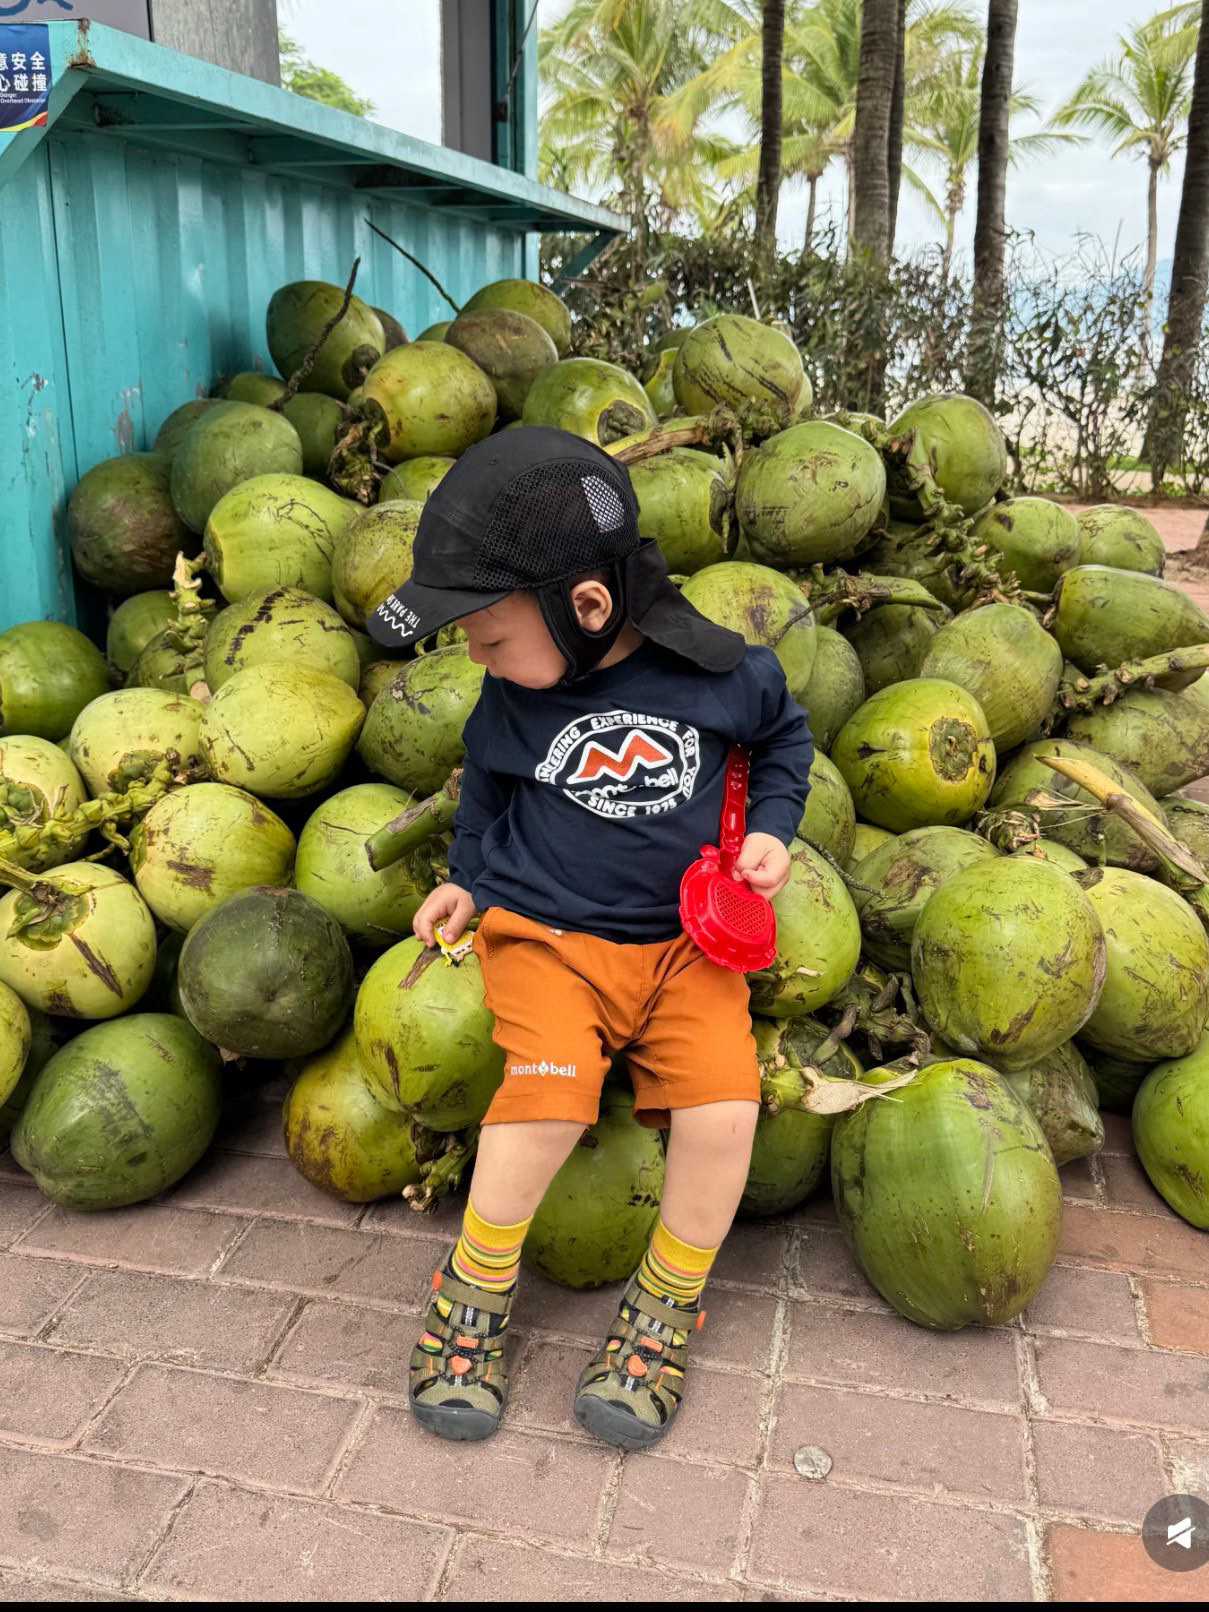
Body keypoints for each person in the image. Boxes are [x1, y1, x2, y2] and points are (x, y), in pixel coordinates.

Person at [365, 426, 813, 1450]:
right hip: (549, 938)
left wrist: (773, 831)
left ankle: (663, 1309)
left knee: (726, 1113)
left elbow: (784, 737)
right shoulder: (510, 699)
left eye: (487, 637)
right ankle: (473, 1291)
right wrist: (467, 881)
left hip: (685, 950)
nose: (475, 657)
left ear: (589, 606)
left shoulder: (722, 675)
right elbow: (485, 791)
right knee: (549, 1096)